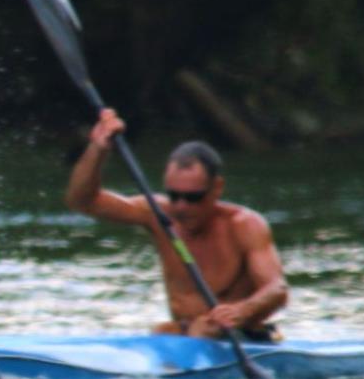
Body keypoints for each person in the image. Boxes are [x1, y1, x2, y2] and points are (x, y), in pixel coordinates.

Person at [65, 109, 288, 340]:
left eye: (193, 198)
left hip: (238, 336)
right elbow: (82, 201)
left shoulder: (245, 225)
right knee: (163, 331)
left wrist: (242, 311)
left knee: (204, 329)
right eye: (174, 196)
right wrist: (98, 149)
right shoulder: (157, 214)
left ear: (216, 189)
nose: (181, 207)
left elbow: (277, 289)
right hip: (185, 334)